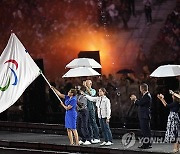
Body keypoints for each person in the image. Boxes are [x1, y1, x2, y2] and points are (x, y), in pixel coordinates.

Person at [130, 83, 152, 149]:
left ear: (142, 89)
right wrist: (136, 100)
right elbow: (140, 103)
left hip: (144, 115)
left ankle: (146, 144)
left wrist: (135, 99)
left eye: (140, 88)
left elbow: (140, 103)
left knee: (145, 130)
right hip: (144, 115)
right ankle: (148, 143)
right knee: (146, 130)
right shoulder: (145, 95)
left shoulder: (147, 96)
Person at [83, 80, 100, 144]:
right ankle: (91, 137)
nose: (86, 84)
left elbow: (91, 94)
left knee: (93, 122)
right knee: (88, 123)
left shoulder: (93, 90)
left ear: (90, 84)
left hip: (91, 109)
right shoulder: (85, 91)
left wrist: (86, 87)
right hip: (86, 108)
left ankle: (97, 137)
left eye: (87, 83)